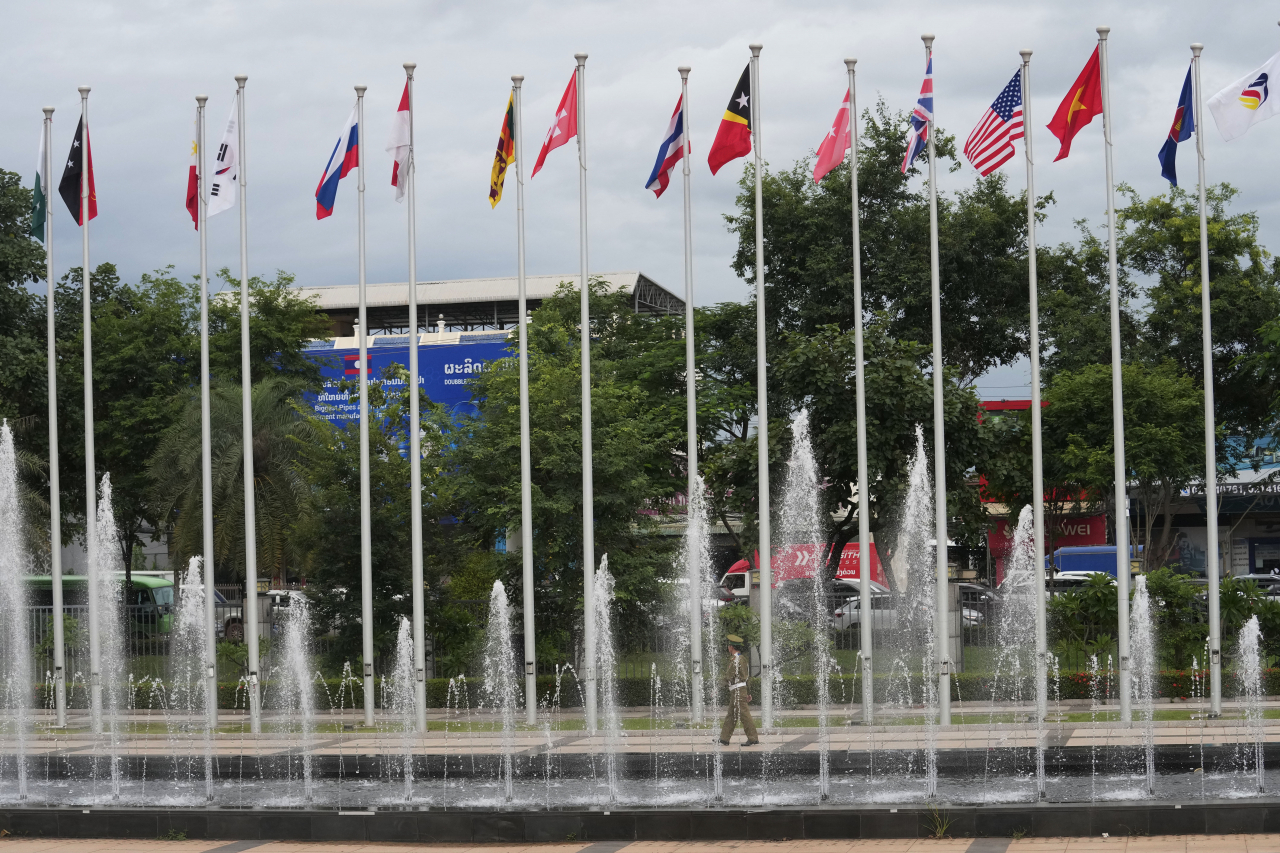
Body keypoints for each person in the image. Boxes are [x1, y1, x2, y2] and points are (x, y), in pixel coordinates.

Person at [719, 634, 759, 746]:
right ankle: (724, 738)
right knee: (731, 715)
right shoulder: (742, 659)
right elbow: (747, 677)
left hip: (737, 691)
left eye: (729, 646)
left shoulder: (737, 660)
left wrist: (718, 688)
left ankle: (753, 738)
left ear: (731, 647)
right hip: (738, 690)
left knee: (744, 714)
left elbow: (729, 676)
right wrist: (748, 692)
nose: (728, 648)